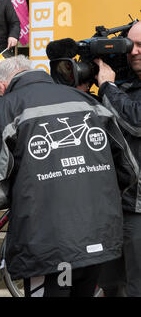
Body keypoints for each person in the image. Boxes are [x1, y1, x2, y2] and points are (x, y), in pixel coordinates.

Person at [0, 55, 138, 297]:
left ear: (0, 86)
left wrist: (26, 194)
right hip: (96, 235)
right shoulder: (88, 101)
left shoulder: (1, 109)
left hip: (47, 244)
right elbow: (129, 170)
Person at [94, 20, 141, 297]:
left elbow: (136, 122)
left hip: (138, 207)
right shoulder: (123, 83)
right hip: (112, 205)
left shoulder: (113, 87)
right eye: (129, 45)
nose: (133, 51)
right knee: (111, 286)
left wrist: (107, 88)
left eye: (140, 46)